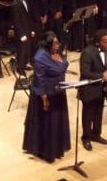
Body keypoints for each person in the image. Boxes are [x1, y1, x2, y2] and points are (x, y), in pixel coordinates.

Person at [22, 32, 71, 163]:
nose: (57, 45)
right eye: (54, 43)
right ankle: (46, 152)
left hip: (59, 91)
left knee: (58, 122)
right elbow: (40, 80)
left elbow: (62, 64)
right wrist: (44, 99)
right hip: (46, 94)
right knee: (49, 124)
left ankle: (58, 147)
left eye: (57, 43)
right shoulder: (40, 57)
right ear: (47, 44)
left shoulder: (57, 52)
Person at [79, 29, 107, 150]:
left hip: (102, 88)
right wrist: (101, 76)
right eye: (105, 42)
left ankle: (96, 134)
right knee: (88, 114)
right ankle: (86, 138)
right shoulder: (87, 52)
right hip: (89, 89)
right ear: (97, 42)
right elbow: (85, 72)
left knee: (98, 113)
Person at [12, 0, 37, 72]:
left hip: (28, 29)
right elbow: (16, 21)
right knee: (21, 50)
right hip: (21, 31)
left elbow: (29, 16)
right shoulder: (15, 4)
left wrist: (32, 29)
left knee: (27, 49)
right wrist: (21, 34)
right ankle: (20, 67)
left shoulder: (26, 0)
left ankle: (25, 64)